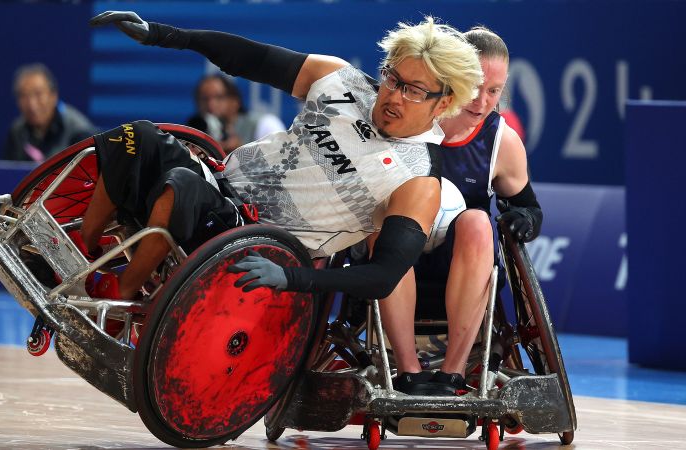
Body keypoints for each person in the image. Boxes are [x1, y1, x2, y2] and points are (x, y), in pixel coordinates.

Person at [83, 12, 483, 323]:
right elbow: (251, 59)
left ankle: (120, 297)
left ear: (443, 104)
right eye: (393, 80)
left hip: (254, 239)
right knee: (135, 137)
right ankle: (80, 255)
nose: (394, 96)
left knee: (182, 185)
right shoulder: (339, 79)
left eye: (414, 91)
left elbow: (383, 276)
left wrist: (292, 280)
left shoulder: (417, 179)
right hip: (219, 183)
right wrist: (162, 34)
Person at [379, 27, 543, 397]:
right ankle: (409, 370)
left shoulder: (502, 141)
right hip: (393, 261)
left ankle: (452, 373)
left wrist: (524, 219)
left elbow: (529, 208)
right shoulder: (403, 118)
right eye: (476, 85)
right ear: (450, 78)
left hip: (464, 265)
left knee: (476, 220)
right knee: (390, 220)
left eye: (495, 91)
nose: (483, 101)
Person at [4, 63, 97, 162]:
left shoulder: (80, 132)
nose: (32, 104)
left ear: (53, 96)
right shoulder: (17, 131)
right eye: (24, 96)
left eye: (38, 94)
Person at [187, 74, 286, 153]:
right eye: (204, 99)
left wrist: (242, 153)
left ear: (235, 102)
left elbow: (281, 161)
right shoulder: (193, 133)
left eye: (219, 97)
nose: (211, 104)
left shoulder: (265, 124)